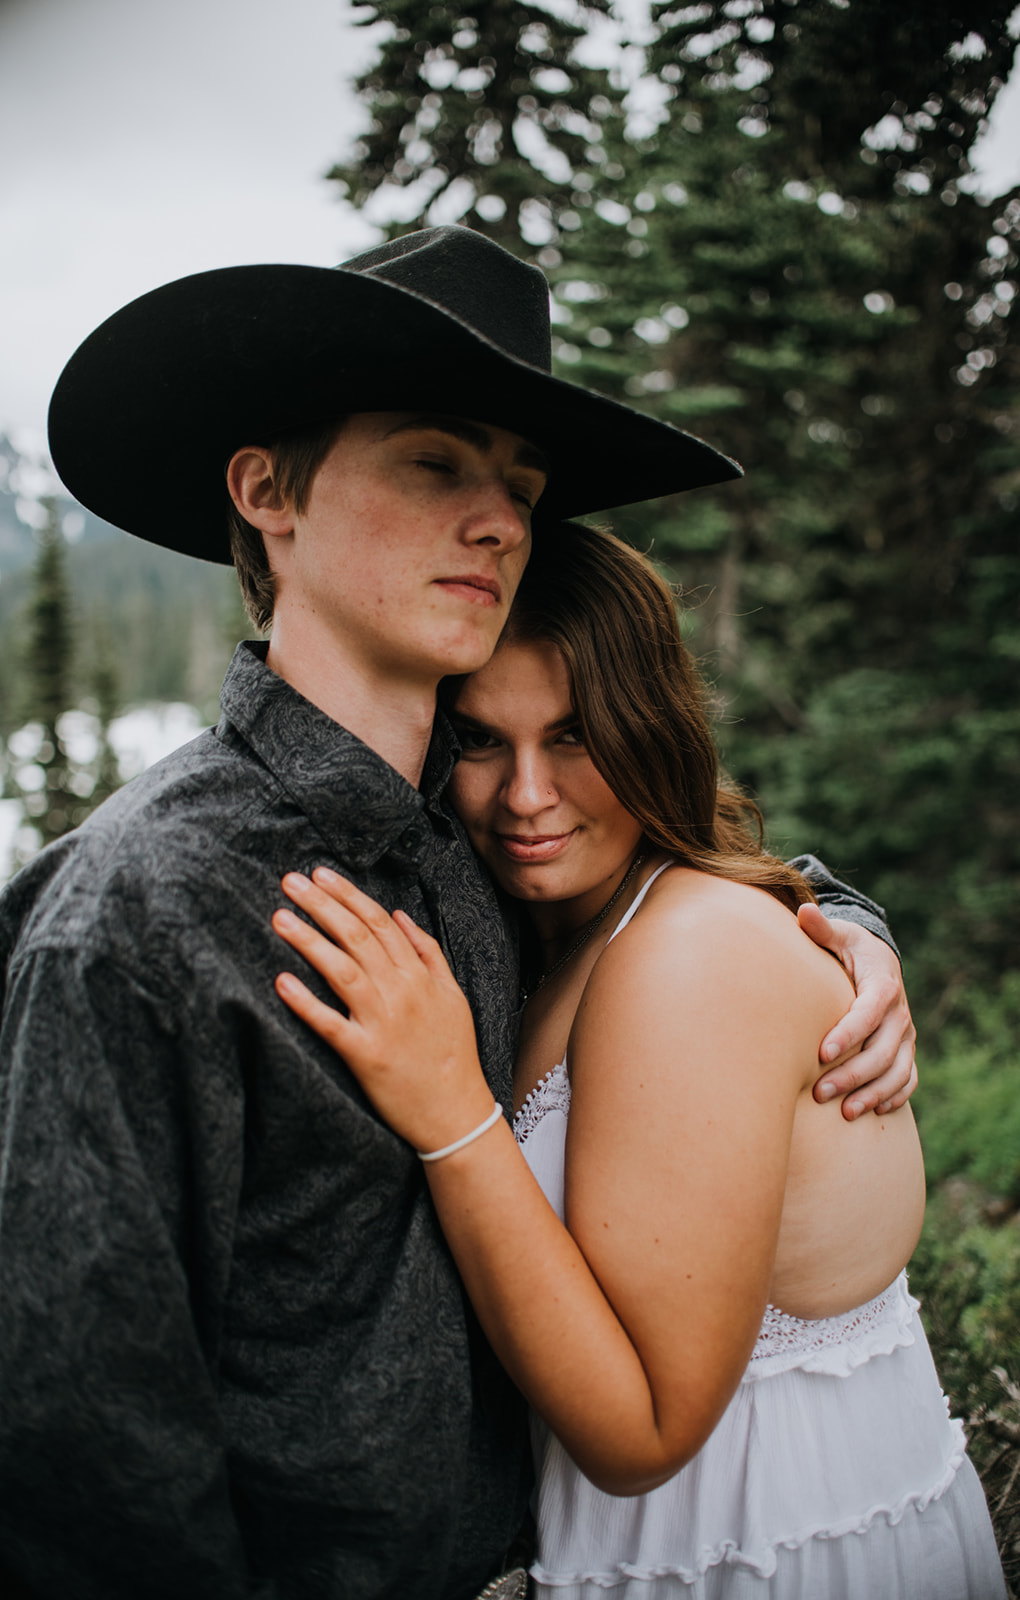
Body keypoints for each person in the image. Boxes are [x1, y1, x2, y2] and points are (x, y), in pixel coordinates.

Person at [0, 227, 914, 1600]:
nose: (498, 518)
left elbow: (673, 882)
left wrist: (847, 927)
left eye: (522, 484)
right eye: (434, 461)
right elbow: (88, 1460)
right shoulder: (145, 913)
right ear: (267, 491)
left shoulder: (475, 829)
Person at [271, 520, 1004, 1599]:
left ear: (649, 726)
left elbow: (645, 1430)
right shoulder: (559, 926)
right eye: (480, 740)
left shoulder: (690, 956)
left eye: (574, 735)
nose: (525, 796)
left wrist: (451, 1111)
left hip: (775, 1559)